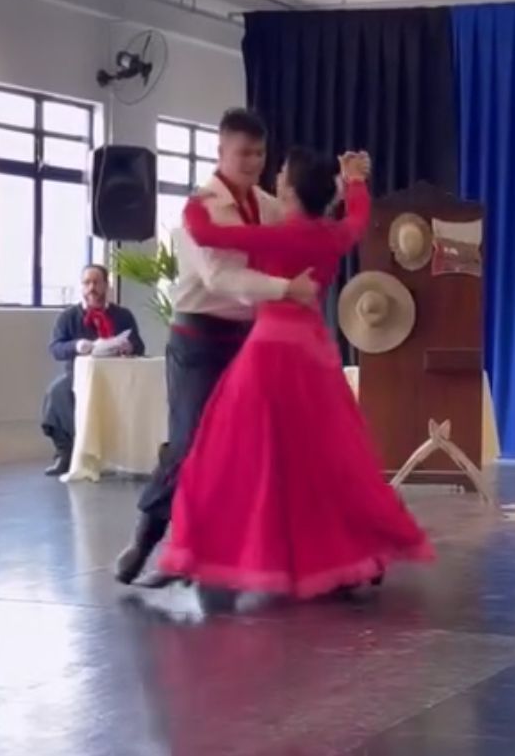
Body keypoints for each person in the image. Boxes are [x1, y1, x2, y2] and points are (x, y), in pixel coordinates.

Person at [157, 148, 433, 605]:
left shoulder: (276, 236)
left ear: (289, 189)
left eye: (283, 173)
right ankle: (335, 555)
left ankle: (246, 552)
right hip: (314, 354)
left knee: (240, 456)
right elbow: (358, 219)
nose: (277, 176)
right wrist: (355, 181)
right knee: (323, 459)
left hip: (269, 354)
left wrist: (193, 203)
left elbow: (205, 233)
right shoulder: (330, 236)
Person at [114, 108, 319, 586]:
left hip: (250, 339)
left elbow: (300, 235)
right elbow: (220, 277)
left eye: (259, 153)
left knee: (255, 445)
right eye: (243, 153)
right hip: (199, 339)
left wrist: (340, 197)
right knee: (190, 442)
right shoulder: (201, 210)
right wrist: (286, 289)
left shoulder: (266, 206)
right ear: (220, 151)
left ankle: (217, 554)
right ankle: (147, 538)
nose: (252, 162)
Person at [40, 264, 144, 477]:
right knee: (56, 393)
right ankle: (66, 453)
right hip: (78, 376)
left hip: (117, 377)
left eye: (96, 282)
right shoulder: (68, 316)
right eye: (86, 283)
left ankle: (130, 454)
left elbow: (139, 345)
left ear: (106, 285)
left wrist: (129, 346)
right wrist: (76, 345)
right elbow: (55, 348)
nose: (91, 288)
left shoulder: (123, 315)